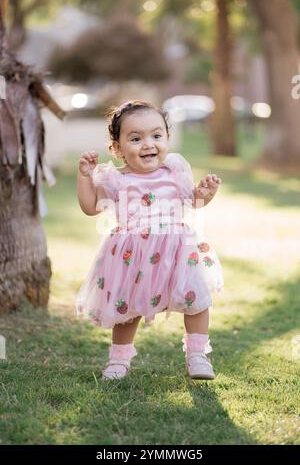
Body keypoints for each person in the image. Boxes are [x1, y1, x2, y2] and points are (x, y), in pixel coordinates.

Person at [75, 99, 223, 381]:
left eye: (156, 135)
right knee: (127, 308)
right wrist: (85, 177)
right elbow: (90, 207)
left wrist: (206, 191)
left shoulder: (174, 170)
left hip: (177, 250)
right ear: (117, 149)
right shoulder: (115, 179)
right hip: (133, 254)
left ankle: (197, 355)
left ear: (167, 138)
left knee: (196, 301)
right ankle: (119, 360)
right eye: (135, 138)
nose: (148, 144)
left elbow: (193, 201)